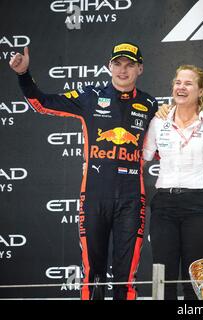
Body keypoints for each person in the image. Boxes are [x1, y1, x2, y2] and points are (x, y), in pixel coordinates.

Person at [9, 42, 157, 300]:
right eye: (118, 64)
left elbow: (164, 146)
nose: (123, 70)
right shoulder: (89, 96)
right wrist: (24, 75)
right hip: (94, 197)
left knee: (127, 277)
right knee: (93, 275)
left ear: (140, 69)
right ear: (109, 66)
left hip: (133, 199)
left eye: (130, 65)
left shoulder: (151, 104)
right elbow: (42, 103)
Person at [143, 65, 203, 300]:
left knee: (196, 279)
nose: (181, 87)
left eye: (188, 83)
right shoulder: (159, 120)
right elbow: (144, 156)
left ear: (200, 91)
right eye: (178, 82)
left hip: (200, 203)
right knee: (163, 275)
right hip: (164, 204)